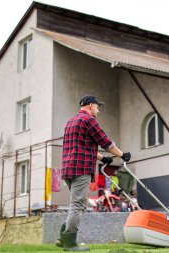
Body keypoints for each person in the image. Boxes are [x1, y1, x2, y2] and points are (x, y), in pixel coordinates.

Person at [58, 95, 131, 251]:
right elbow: (105, 141)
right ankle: (69, 243)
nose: (98, 110)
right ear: (91, 106)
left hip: (68, 169)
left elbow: (80, 147)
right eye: (98, 106)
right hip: (82, 168)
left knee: (78, 205)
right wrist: (122, 155)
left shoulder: (71, 122)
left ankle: (62, 237)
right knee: (77, 206)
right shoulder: (89, 120)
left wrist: (103, 158)